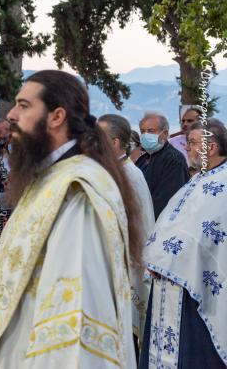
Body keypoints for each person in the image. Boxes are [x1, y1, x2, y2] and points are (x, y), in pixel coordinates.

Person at [0, 70, 142, 367]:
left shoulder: (78, 190)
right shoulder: (51, 177)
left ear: (56, 116)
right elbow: (40, 265)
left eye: (24, 106)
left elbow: (75, 322)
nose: (13, 115)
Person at [139, 118, 227, 367]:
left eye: (192, 142)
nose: (186, 148)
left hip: (192, 285)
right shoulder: (199, 179)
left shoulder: (222, 183)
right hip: (170, 279)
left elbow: (206, 234)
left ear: (210, 147)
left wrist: (165, 261)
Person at [98, 113, 155, 338]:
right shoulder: (110, 172)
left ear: (114, 143)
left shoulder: (130, 176)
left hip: (125, 265)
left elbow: (140, 225)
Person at [136, 112, 190, 219]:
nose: (145, 135)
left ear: (164, 134)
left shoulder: (174, 160)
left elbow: (166, 202)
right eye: (142, 131)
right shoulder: (144, 158)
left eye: (151, 131)